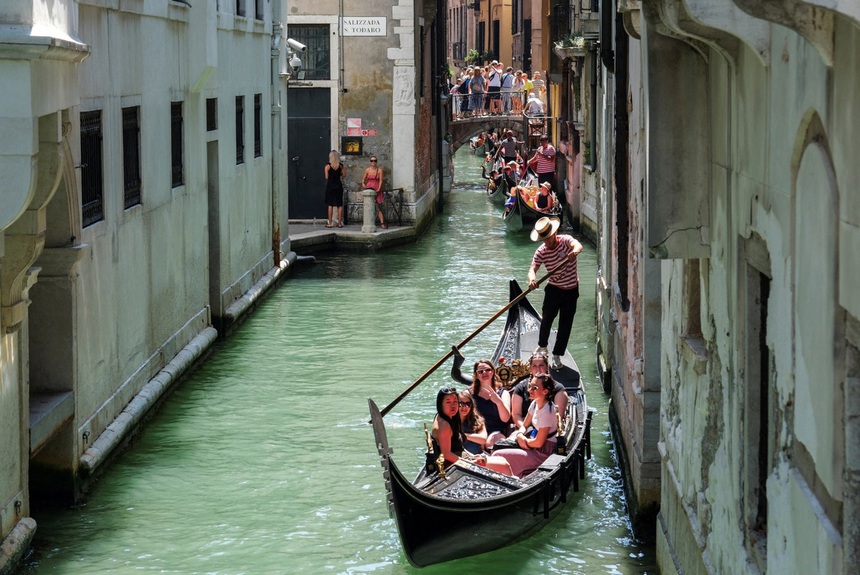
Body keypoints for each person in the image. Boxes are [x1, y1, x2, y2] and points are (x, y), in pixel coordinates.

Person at [527, 216, 584, 370]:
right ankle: (542, 347)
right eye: (543, 239)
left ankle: (557, 355)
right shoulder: (542, 251)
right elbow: (533, 268)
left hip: (571, 291)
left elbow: (578, 245)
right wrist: (532, 280)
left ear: (555, 233)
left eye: (548, 238)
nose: (546, 242)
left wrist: (574, 252)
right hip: (553, 289)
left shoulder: (566, 240)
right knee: (546, 320)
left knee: (565, 325)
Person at [493, 373, 559, 477]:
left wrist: (524, 442)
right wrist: (519, 435)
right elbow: (525, 425)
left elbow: (538, 443)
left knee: (497, 455)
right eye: (530, 386)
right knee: (499, 446)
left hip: (543, 453)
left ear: (545, 391)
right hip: (532, 443)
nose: (529, 390)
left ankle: (509, 479)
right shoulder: (535, 403)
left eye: (535, 388)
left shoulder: (548, 412)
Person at [451, 349, 512, 448]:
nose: (485, 373)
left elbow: (505, 419)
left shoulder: (503, 393)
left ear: (493, 372)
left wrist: (498, 402)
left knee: (494, 441)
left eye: (488, 370)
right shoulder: (468, 393)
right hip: (473, 429)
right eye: (481, 371)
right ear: (477, 375)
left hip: (494, 431)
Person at [509, 352, 569, 428]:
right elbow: (516, 415)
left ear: (547, 367)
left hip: (548, 429)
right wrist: (524, 430)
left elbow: (558, 418)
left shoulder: (558, 389)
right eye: (534, 366)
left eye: (541, 365)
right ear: (530, 368)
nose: (538, 369)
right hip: (525, 427)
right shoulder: (520, 388)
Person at [361, 156, 387, 229]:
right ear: (370, 162)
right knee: (368, 206)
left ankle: (382, 223)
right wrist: (363, 184)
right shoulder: (367, 170)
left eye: (375, 161)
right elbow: (363, 179)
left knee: (377, 207)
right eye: (372, 161)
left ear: (377, 162)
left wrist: (379, 189)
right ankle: (368, 222)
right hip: (369, 188)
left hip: (376, 188)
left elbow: (381, 180)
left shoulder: (379, 170)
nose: (373, 162)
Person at [324, 150, 345, 228]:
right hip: (338, 185)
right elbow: (344, 175)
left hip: (330, 186)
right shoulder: (340, 165)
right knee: (339, 204)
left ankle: (330, 223)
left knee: (330, 204)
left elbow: (326, 177)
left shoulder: (327, 166)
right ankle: (339, 223)